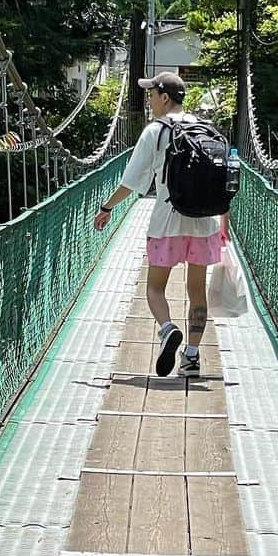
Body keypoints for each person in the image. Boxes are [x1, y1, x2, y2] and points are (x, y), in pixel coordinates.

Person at [93, 71, 228, 378]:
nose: (149, 99)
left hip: (167, 222)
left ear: (165, 97)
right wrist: (223, 222)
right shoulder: (205, 128)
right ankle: (192, 356)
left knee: (154, 288)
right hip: (204, 223)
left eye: (151, 94)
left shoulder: (155, 131)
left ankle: (167, 329)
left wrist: (106, 207)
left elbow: (131, 182)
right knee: (197, 292)